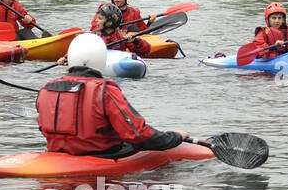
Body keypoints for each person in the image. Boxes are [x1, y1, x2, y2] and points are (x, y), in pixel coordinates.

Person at [36, 34, 189, 157]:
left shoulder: (46, 88)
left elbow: (43, 128)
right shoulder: (105, 90)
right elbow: (137, 134)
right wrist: (174, 137)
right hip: (102, 155)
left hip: (58, 153)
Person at [90, 0, 155, 34]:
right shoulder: (104, 9)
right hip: (108, 42)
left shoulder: (134, 13)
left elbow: (144, 32)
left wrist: (150, 22)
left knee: (133, 28)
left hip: (127, 44)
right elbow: (94, 28)